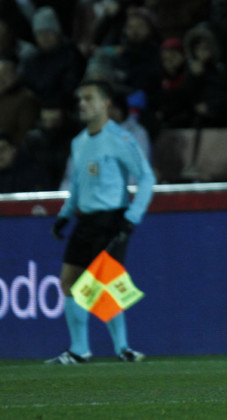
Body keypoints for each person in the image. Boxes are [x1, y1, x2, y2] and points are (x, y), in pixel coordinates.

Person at [45, 80, 155, 365]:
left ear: (105, 103)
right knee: (68, 282)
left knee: (97, 285)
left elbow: (146, 177)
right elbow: (78, 186)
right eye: (80, 99)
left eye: (89, 98)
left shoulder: (119, 139)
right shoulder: (79, 142)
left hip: (112, 219)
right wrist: (65, 215)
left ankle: (121, 348)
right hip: (86, 219)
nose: (82, 104)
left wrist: (131, 218)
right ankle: (81, 349)